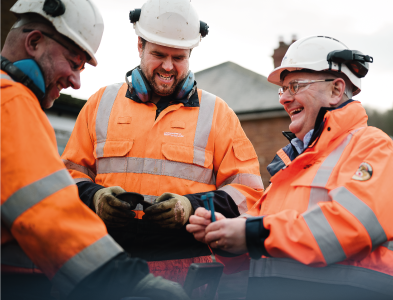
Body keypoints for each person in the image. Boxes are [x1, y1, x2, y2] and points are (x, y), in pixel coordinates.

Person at [188, 35, 393, 300]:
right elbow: (255, 251)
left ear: (336, 90)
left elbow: (352, 225)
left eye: (295, 86)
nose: (284, 99)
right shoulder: (291, 166)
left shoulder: (375, 148)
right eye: (283, 89)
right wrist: (222, 234)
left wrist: (251, 234)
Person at [61, 0, 263, 285]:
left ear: (190, 54)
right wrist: (95, 198)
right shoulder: (100, 104)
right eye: (158, 54)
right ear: (140, 46)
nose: (168, 66)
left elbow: (248, 193)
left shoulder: (217, 114)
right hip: (107, 262)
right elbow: (67, 177)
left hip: (189, 269)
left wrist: (190, 207)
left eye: (178, 57)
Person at [0, 0, 190, 299]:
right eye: (74, 63)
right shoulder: (11, 102)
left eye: (178, 56)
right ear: (34, 42)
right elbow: (49, 211)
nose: (76, 82)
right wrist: (129, 280)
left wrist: (191, 205)